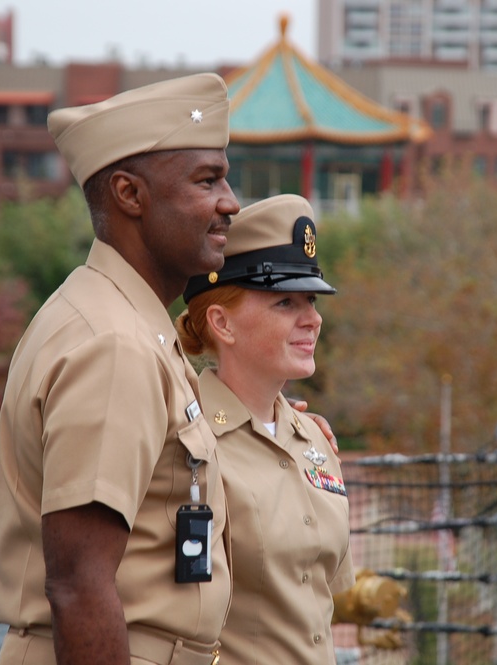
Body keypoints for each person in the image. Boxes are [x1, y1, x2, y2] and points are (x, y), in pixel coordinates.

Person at [0, 73, 240, 665]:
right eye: (207, 181)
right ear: (130, 195)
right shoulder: (115, 343)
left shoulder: (128, 322)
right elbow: (79, 584)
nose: (230, 202)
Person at [175, 194, 356, 664]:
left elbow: (326, 599)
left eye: (311, 300)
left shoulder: (315, 440)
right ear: (222, 323)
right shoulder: (181, 440)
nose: (312, 319)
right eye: (285, 301)